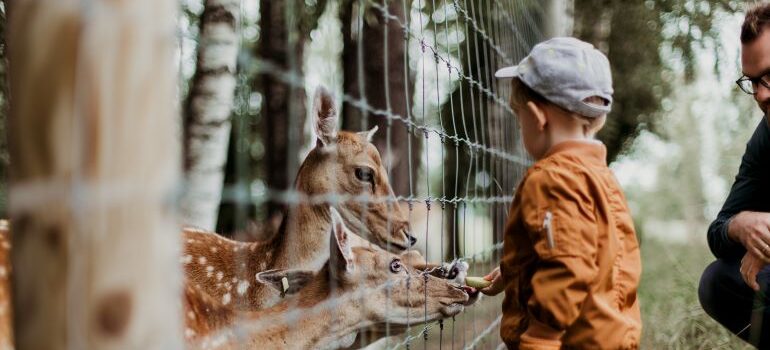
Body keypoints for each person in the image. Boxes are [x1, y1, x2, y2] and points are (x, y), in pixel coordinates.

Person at [480, 37, 642, 349]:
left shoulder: (552, 179)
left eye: (518, 117)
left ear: (536, 117)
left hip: (567, 341)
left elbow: (566, 266)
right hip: (608, 335)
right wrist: (510, 271)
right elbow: (583, 250)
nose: (519, 126)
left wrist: (541, 337)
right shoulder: (601, 177)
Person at [698, 3, 770, 348]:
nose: (761, 95)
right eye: (753, 82)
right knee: (719, 281)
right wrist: (740, 225)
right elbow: (718, 231)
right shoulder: (766, 137)